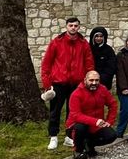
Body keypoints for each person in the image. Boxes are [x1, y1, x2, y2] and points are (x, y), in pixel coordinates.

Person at [41, 17, 95, 150]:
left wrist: (88, 81)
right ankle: (53, 136)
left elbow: (89, 64)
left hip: (76, 83)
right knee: (55, 111)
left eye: (76, 26)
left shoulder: (83, 44)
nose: (73, 28)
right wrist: (47, 83)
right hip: (58, 82)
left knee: (73, 111)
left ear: (79, 27)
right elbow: (47, 63)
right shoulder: (56, 42)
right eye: (71, 25)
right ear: (66, 27)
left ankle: (69, 137)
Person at [66, 71, 118, 159]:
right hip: (76, 126)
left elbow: (113, 104)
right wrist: (95, 121)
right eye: (91, 80)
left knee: (111, 135)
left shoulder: (102, 89)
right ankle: (78, 150)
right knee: (80, 127)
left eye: (97, 80)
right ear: (85, 80)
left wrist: (109, 121)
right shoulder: (76, 94)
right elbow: (76, 115)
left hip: (96, 126)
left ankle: (89, 144)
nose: (94, 83)